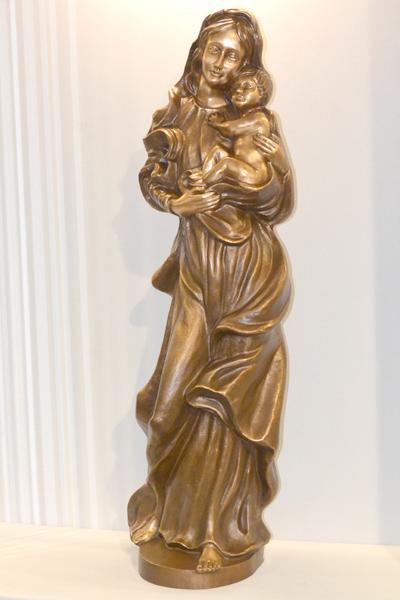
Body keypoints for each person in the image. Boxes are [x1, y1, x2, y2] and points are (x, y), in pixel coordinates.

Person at [128, 9, 293, 575]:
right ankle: (163, 506)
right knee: (168, 402)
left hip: (248, 272)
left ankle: (217, 530)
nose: (221, 63)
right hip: (198, 272)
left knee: (225, 404)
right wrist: (179, 204)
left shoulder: (254, 119)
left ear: (246, 65)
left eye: (233, 55)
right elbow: (152, 178)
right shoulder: (173, 114)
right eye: (214, 50)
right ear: (198, 50)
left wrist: (256, 174)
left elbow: (279, 200)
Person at [202, 66, 273, 187]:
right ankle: (205, 176)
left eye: (247, 87)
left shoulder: (259, 118)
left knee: (226, 164)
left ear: (262, 94)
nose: (239, 91)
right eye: (236, 89)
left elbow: (231, 129)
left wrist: (217, 123)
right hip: (242, 165)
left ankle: (204, 184)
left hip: (255, 173)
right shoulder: (246, 116)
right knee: (217, 151)